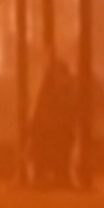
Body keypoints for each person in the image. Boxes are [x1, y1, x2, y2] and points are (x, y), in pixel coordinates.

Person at [29, 50, 77, 187]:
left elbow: (40, 107)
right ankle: (60, 175)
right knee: (60, 153)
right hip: (60, 127)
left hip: (52, 127)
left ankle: (49, 175)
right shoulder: (69, 85)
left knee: (53, 152)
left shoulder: (51, 86)